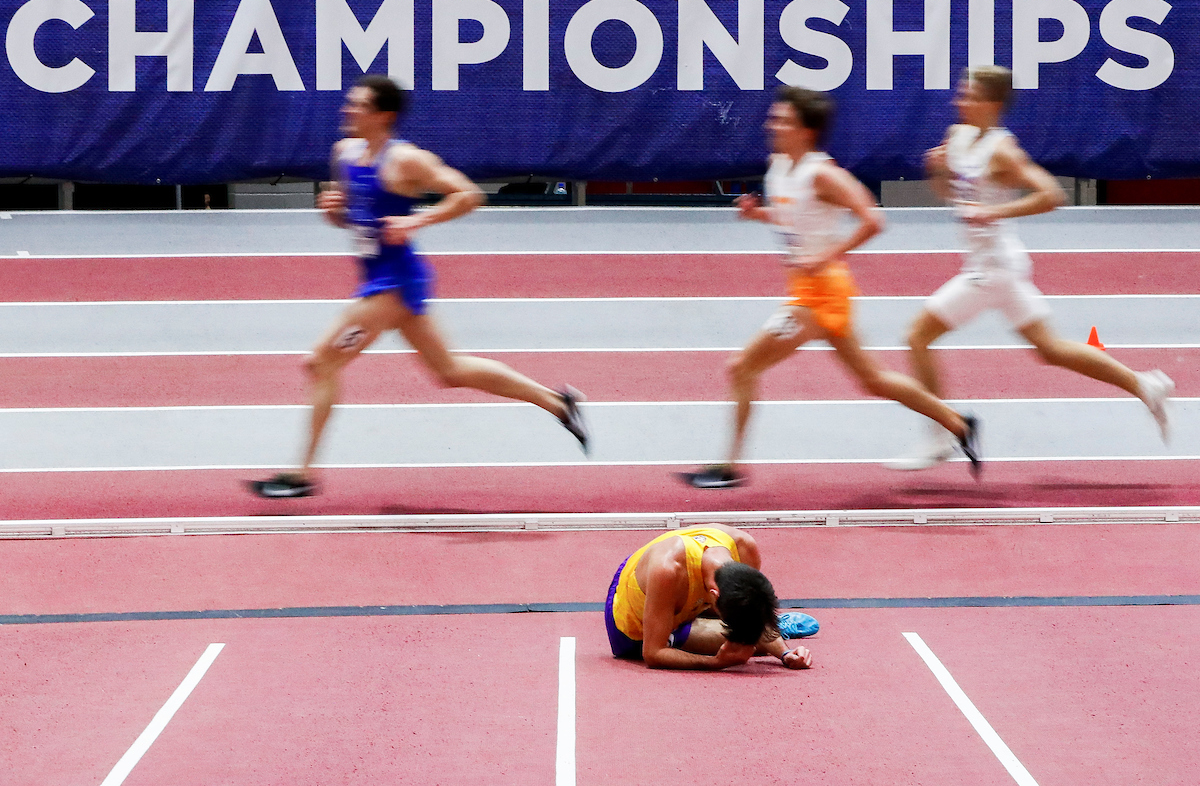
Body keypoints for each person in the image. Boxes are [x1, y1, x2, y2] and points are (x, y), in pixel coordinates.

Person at [249, 75, 587, 498]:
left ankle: (301, 476)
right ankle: (558, 403)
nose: (346, 110)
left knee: (320, 363)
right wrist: (334, 211)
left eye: (357, 106)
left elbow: (467, 194)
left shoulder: (405, 160)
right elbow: (353, 218)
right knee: (450, 371)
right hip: (379, 281)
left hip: (393, 286)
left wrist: (416, 220)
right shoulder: (344, 154)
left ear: (383, 116)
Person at [680, 86, 981, 489]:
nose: (772, 123)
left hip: (819, 296)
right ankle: (958, 423)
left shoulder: (823, 174)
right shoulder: (780, 166)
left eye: (783, 119)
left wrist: (828, 255)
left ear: (806, 130)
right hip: (812, 291)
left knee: (742, 366)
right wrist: (760, 216)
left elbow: (874, 220)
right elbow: (796, 219)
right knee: (872, 379)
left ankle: (728, 467)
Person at [888, 66, 1174, 470]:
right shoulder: (958, 137)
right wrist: (937, 170)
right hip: (994, 263)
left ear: (991, 104)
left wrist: (994, 211)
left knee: (916, 337)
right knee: (1051, 350)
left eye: (967, 95)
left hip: (992, 270)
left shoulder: (1004, 151)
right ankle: (1145, 383)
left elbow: (1051, 195)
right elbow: (950, 194)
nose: (958, 101)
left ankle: (940, 436)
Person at [605, 525, 818, 670]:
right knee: (751, 647)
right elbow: (653, 653)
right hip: (632, 626)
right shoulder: (668, 570)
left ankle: (770, 628)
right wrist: (716, 662)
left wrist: (784, 654)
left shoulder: (744, 547)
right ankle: (772, 628)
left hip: (691, 602)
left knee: (747, 642)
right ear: (713, 597)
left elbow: (750, 596)